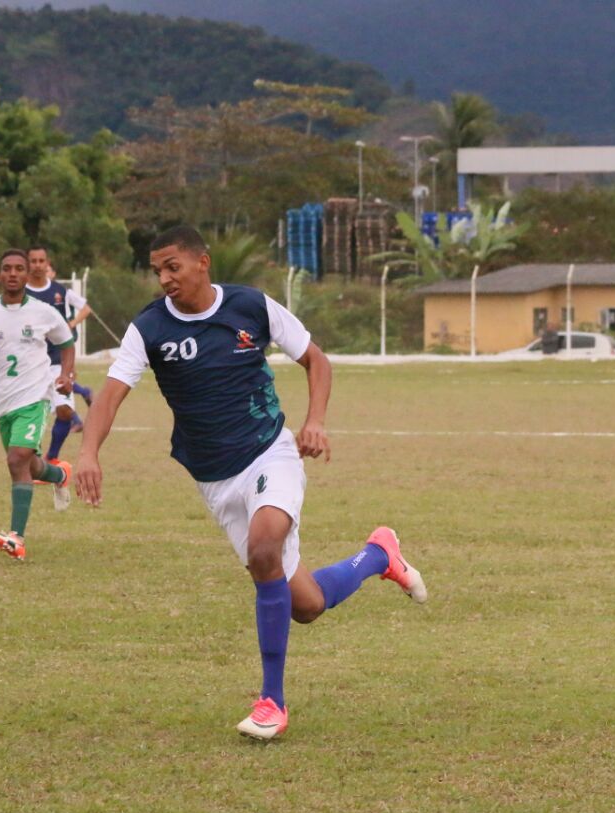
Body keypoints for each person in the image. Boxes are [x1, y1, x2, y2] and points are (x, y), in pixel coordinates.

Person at [75, 225, 428, 741]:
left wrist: (315, 421)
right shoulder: (148, 328)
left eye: (173, 266)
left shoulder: (251, 307)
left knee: (265, 550)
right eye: (157, 270)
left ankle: (272, 701)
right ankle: (379, 555)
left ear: (202, 263)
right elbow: (109, 395)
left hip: (270, 451)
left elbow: (316, 359)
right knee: (305, 604)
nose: (164, 279)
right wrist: (88, 452)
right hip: (214, 479)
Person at [0, 249, 76, 560]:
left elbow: (66, 342)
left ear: (27, 275)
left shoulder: (43, 311)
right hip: (3, 402)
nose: (13, 273)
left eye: (19, 269)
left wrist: (66, 374)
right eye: (7, 268)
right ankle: (60, 475)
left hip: (35, 397)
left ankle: (16, 538)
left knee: (16, 459)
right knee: (28, 464)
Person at [25, 246, 94, 462]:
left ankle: (51, 458)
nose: (37, 265)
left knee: (64, 410)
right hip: (30, 363)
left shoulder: (60, 292)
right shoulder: (20, 293)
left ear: (47, 263)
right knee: (31, 414)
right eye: (33, 261)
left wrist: (70, 325)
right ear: (28, 264)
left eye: (41, 261)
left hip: (57, 361)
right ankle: (30, 458)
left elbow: (86, 308)